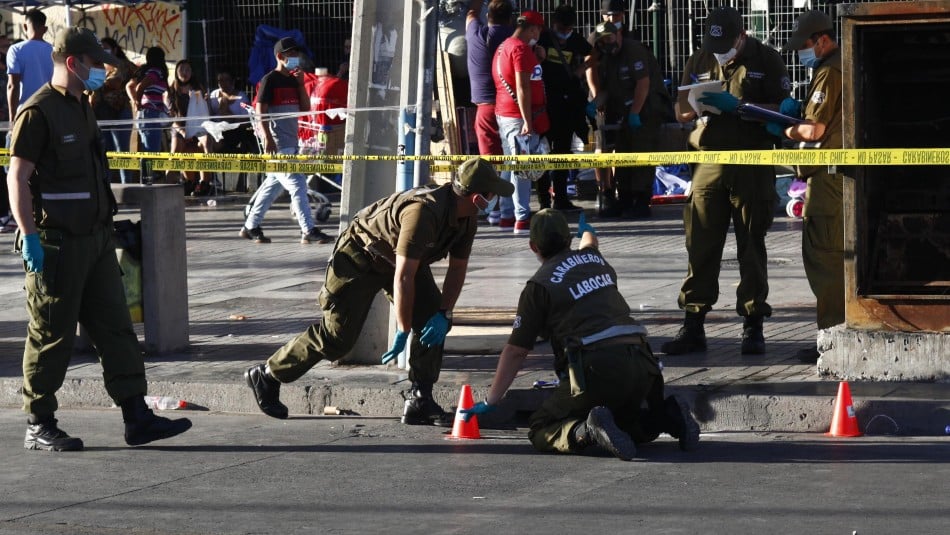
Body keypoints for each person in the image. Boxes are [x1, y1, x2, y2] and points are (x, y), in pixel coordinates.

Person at [6, 27, 192, 451]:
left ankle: (136, 416)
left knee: (116, 329)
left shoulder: (81, 107)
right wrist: (29, 236)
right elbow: (17, 177)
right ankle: (39, 422)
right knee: (51, 333)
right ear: (73, 62)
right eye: (92, 63)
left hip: (95, 240)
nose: (97, 71)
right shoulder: (38, 112)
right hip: (56, 244)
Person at [244, 157, 515, 426]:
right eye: (491, 195)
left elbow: (457, 269)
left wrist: (445, 312)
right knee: (338, 338)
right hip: (360, 258)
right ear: (477, 197)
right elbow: (404, 277)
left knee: (433, 319)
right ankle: (267, 374)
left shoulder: (466, 219)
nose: (494, 200)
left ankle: (420, 398)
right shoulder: (423, 212)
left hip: (399, 261)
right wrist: (403, 328)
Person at [460, 209, 700, 460]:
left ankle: (586, 430)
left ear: (533, 247)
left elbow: (516, 351)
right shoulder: (594, 259)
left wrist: (490, 400)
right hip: (644, 364)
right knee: (624, 427)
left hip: (596, 370)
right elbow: (590, 241)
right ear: (568, 240)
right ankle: (668, 416)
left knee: (541, 427)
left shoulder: (538, 286)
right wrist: (587, 231)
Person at [661, 6, 791, 356]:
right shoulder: (701, 57)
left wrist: (739, 105)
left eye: (725, 43)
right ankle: (693, 323)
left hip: (750, 163)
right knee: (700, 245)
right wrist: (697, 106)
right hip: (708, 164)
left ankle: (753, 324)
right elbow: (679, 110)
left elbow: (783, 111)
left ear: (741, 36)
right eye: (713, 43)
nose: (719, 51)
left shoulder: (767, 59)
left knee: (751, 245)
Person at [780, 11, 844, 364]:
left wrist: (786, 128)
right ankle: (833, 333)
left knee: (824, 256)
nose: (802, 53)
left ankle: (833, 340)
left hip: (828, 176)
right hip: (837, 174)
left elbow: (815, 130)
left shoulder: (828, 70)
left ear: (821, 39)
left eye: (804, 46)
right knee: (832, 254)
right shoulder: (837, 63)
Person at [239, 37, 331, 245]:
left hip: (292, 141)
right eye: (291, 54)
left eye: (297, 54)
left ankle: (250, 226)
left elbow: (305, 108)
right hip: (279, 144)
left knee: (273, 185)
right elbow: (260, 111)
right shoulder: (269, 80)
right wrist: (268, 139)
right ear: (280, 57)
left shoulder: (293, 80)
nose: (296, 58)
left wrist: (300, 84)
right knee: (297, 184)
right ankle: (308, 229)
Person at [587, 21, 673, 218]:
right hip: (624, 113)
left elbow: (643, 84)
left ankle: (642, 200)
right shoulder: (608, 58)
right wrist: (595, 102)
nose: (607, 42)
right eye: (603, 40)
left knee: (642, 153)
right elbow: (607, 90)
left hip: (646, 110)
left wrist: (635, 113)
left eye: (610, 37)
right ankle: (625, 198)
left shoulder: (634, 51)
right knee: (623, 154)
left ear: (618, 35)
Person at [492, 10, 550, 233]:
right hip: (518, 117)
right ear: (532, 28)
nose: (539, 35)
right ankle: (522, 218)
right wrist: (527, 120)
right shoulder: (520, 49)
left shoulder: (504, 47)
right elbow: (523, 86)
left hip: (505, 114)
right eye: (538, 30)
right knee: (522, 169)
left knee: (510, 165)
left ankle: (507, 215)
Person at [535, 4, 589, 212]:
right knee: (543, 155)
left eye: (568, 29)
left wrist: (579, 71)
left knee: (562, 153)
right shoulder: (544, 39)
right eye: (562, 28)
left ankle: (561, 198)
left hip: (566, 107)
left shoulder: (575, 41)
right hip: (545, 105)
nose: (565, 32)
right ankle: (543, 202)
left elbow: (593, 55)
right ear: (554, 24)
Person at [465, 0, 514, 225]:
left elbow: (470, 14)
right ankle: (507, 211)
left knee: (489, 161)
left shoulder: (475, 32)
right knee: (510, 159)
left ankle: (491, 208)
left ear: (488, 15)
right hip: (508, 105)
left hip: (483, 108)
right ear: (510, 18)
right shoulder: (513, 37)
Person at [167, 59, 215, 196]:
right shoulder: (171, 91)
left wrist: (205, 101)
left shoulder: (198, 88)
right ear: (176, 72)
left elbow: (206, 114)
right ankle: (184, 182)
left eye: (188, 69)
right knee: (177, 149)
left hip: (198, 128)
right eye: (182, 69)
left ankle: (205, 182)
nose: (185, 72)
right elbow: (173, 118)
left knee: (206, 142)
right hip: (180, 128)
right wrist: (183, 132)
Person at [90, 37, 135, 184]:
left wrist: (94, 84)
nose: (103, 50)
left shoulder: (121, 65)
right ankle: (107, 188)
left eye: (106, 47)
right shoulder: (97, 66)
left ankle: (126, 186)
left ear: (114, 50)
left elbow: (116, 82)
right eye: (100, 48)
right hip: (101, 113)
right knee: (105, 152)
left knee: (122, 151)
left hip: (120, 111)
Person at [126, 46, 169, 183]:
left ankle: (147, 179)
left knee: (148, 148)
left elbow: (129, 86)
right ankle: (147, 179)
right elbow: (139, 87)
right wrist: (137, 101)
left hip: (146, 113)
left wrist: (135, 101)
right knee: (151, 150)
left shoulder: (145, 71)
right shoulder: (156, 72)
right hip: (150, 113)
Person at [6, 9, 52, 124]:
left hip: (25, 112)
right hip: (50, 111)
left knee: (13, 142)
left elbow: (13, 86)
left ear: (25, 27)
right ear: (45, 29)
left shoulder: (15, 50)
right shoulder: (55, 51)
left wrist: (12, 119)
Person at [209, 68, 257, 154]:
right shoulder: (213, 95)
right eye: (220, 80)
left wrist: (231, 119)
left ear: (233, 81)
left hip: (235, 131)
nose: (223, 83)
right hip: (215, 129)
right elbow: (210, 114)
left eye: (226, 80)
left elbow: (248, 120)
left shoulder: (242, 98)